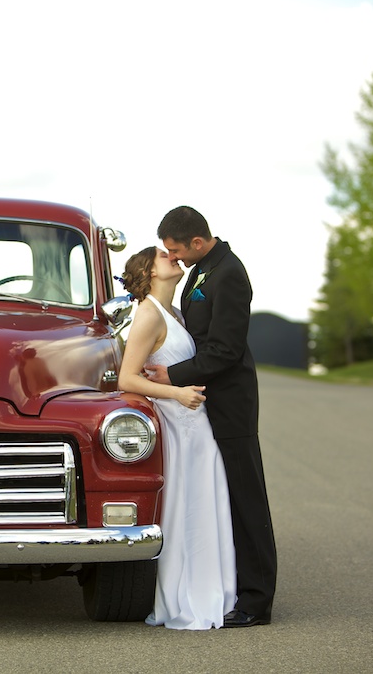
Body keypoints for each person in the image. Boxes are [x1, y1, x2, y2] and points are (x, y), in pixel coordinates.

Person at [144, 205, 277, 628]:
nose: (174, 257)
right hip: (203, 402)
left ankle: (257, 602)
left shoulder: (230, 274)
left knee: (245, 500)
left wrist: (173, 374)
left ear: (198, 242)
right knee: (223, 499)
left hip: (230, 403)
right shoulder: (204, 269)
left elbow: (226, 349)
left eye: (177, 249)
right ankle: (229, 586)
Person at [117, 246, 236, 630]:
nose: (173, 256)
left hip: (197, 426)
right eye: (162, 255)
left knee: (205, 505)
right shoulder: (148, 315)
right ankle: (187, 597)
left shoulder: (175, 313)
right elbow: (127, 377)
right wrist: (178, 393)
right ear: (149, 272)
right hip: (178, 423)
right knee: (187, 508)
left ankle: (213, 590)